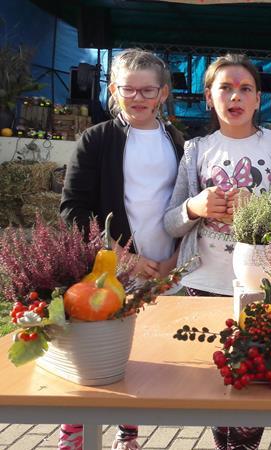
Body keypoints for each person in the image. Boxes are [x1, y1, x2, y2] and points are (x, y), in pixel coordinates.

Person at [163, 54, 271, 449]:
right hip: (203, 284)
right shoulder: (196, 150)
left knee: (256, 388)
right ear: (209, 97)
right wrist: (194, 207)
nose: (236, 96)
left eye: (245, 88)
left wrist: (263, 211)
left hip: (265, 290)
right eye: (225, 88)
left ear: (258, 98)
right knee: (218, 388)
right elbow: (170, 222)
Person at [59, 49, 184, 450]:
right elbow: (73, 209)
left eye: (148, 90)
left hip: (162, 269)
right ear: (113, 89)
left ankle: (127, 434)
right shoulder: (96, 140)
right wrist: (121, 256)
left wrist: (173, 261)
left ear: (163, 93)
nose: (138, 98)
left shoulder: (177, 142)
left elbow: (185, 206)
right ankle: (73, 435)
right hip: (106, 272)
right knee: (94, 356)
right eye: (129, 89)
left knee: (141, 353)